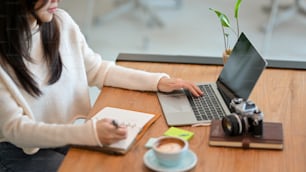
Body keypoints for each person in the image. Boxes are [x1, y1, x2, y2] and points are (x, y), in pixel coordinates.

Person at [0, 0, 203, 171]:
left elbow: (97, 70)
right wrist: (90, 134)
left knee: (123, 159)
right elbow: (17, 130)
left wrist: (158, 81)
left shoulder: (60, 22)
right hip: (17, 151)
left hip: (60, 133)